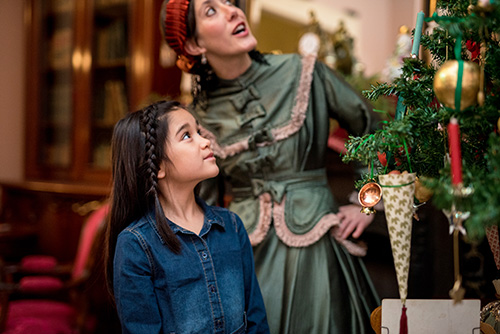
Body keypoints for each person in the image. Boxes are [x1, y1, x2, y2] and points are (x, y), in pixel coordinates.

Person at [161, 1, 381, 333]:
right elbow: (195, 203)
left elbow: (374, 130)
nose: (233, 11)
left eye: (228, 3)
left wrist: (366, 203)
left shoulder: (304, 71)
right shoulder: (199, 117)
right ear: (194, 44)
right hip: (246, 258)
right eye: (211, 11)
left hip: (318, 247)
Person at [104, 100, 270, 334]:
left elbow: (256, 320)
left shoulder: (232, 226)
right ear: (158, 166)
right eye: (186, 136)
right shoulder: (135, 245)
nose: (206, 141)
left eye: (199, 131)